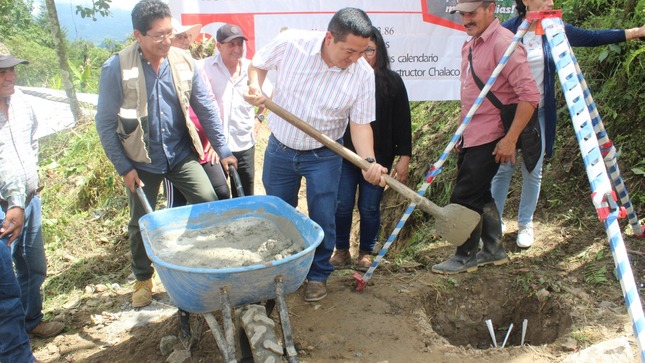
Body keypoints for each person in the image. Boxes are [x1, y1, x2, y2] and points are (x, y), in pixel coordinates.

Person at [95, 0, 237, 308]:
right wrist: (124, 167)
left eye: (169, 33)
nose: (166, 41)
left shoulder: (184, 60)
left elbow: (205, 108)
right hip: (140, 159)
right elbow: (105, 125)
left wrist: (223, 149)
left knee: (208, 202)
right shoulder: (117, 67)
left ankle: (207, 262)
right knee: (141, 220)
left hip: (180, 154)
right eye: (158, 35)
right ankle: (143, 278)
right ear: (138, 35)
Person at [244, 7, 387, 301]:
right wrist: (255, 86)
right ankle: (279, 270)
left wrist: (368, 161)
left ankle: (318, 274)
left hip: (324, 155)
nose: (355, 59)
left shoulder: (362, 75)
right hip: (280, 148)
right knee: (278, 212)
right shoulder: (291, 44)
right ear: (329, 38)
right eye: (349, 51)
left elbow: (360, 125)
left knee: (324, 215)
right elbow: (257, 64)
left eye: (362, 52)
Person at [492, 0, 645, 248]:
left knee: (533, 168)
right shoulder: (508, 31)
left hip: (540, 113)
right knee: (503, 168)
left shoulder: (554, 27)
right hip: (511, 113)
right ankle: (493, 224)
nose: (551, 0)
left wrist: (636, 33)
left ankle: (525, 224)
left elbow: (591, 37)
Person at [432, 0, 540, 274]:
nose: (466, 19)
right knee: (479, 192)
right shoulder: (470, 44)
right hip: (472, 133)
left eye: (472, 13)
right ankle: (493, 249)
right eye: (462, 14)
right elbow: (469, 94)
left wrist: (510, 139)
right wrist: (460, 130)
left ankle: (465, 255)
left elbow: (529, 96)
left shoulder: (504, 43)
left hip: (492, 135)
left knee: (465, 196)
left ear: (491, 8)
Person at [330, 26, 412, 271]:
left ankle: (366, 252)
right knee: (342, 203)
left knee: (368, 206)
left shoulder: (392, 82)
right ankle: (341, 250)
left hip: (380, 159)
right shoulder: (344, 77)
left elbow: (403, 121)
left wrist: (404, 156)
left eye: (370, 51)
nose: (365, 56)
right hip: (346, 155)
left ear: (380, 52)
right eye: (361, 51)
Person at [0, 54, 66, 342]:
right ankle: (11, 341)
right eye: (2, 72)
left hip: (27, 199)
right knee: (4, 277)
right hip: (5, 205)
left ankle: (30, 322)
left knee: (33, 265)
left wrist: (30, 184)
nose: (10, 76)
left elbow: (31, 140)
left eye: (12, 69)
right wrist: (13, 199)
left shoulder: (22, 101)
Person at [163, 19, 231, 208]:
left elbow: (209, 106)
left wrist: (213, 141)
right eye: (179, 37)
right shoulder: (161, 71)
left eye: (187, 36)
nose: (185, 41)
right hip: (179, 154)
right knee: (177, 205)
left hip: (205, 146)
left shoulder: (195, 68)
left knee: (222, 193)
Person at [200, 23, 267, 197]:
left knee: (245, 195)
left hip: (244, 142)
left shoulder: (251, 69)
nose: (237, 49)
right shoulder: (204, 69)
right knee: (219, 196)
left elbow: (268, 93)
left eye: (240, 44)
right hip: (215, 147)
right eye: (231, 44)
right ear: (218, 46)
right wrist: (211, 140)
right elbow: (197, 108)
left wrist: (259, 117)